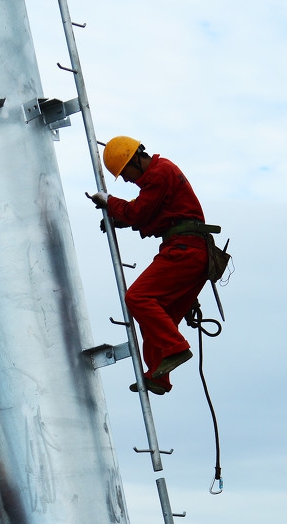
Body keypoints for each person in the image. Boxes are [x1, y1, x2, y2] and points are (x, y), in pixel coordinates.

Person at [88, 136, 216, 395]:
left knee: (138, 298)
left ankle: (176, 348)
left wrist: (109, 202)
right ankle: (159, 375)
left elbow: (138, 213)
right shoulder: (162, 175)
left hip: (185, 251)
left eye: (125, 172)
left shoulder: (160, 173)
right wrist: (119, 220)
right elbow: (151, 218)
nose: (126, 180)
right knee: (156, 319)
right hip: (192, 253)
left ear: (136, 158)